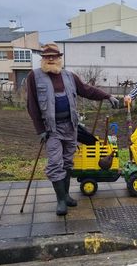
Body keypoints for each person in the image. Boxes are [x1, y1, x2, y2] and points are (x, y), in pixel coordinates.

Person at [26, 43, 119, 216]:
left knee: (68, 162)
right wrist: (40, 129)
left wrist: (107, 96)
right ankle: (60, 201)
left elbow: (86, 90)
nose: (51, 59)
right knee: (55, 163)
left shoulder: (69, 76)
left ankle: (66, 196)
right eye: (47, 56)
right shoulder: (34, 76)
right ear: (43, 58)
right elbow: (31, 104)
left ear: (60, 58)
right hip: (51, 129)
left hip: (70, 127)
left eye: (54, 56)